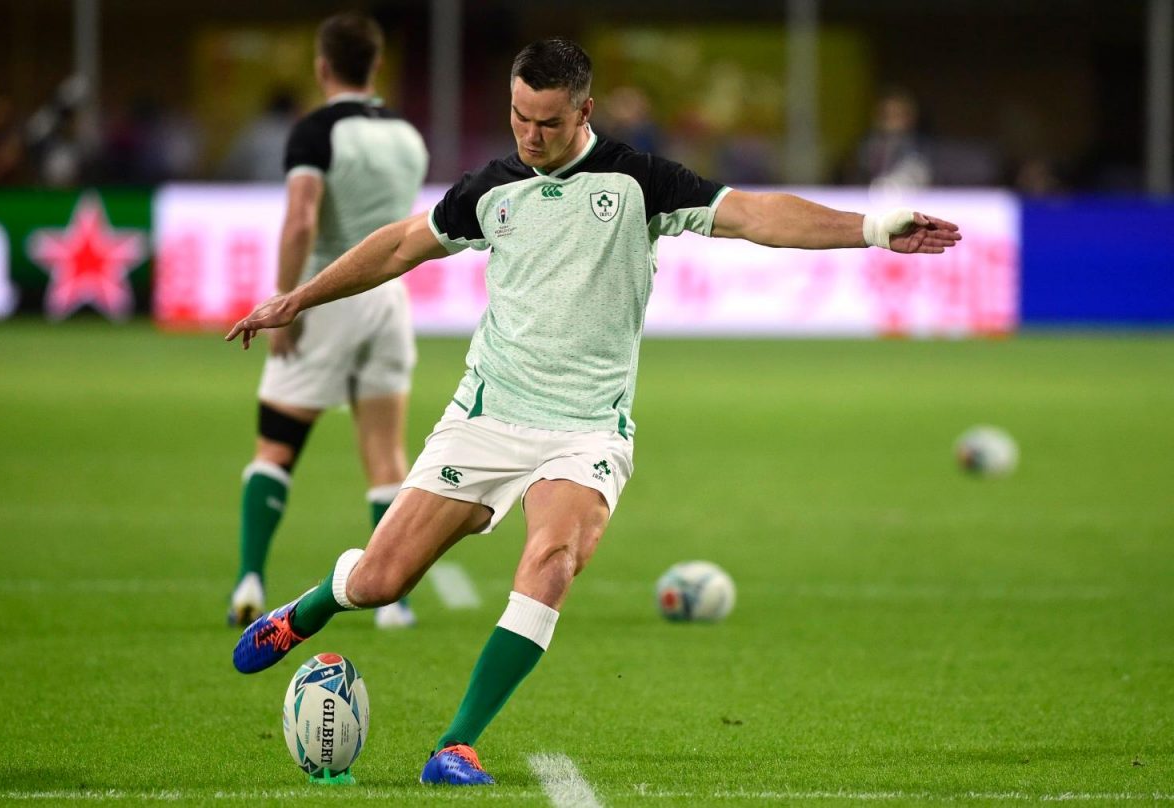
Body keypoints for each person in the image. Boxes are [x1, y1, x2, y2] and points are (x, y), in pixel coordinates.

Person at [226, 38, 960, 785]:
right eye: (519, 116)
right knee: (381, 582)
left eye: (547, 121)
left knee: (552, 563)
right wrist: (297, 299)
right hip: (487, 415)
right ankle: (309, 610)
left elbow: (756, 215)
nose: (530, 134)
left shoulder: (639, 181)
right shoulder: (491, 189)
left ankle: (456, 745)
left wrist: (873, 229)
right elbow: (397, 247)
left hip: (587, 431)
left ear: (585, 111)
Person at [227, 13, 428, 632]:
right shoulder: (408, 136)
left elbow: (301, 219)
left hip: (326, 296)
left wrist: (285, 300)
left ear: (322, 67)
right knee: (385, 454)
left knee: (276, 447)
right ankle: (394, 603)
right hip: (389, 301)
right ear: (376, 66)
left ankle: (249, 581)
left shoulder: (315, 132)